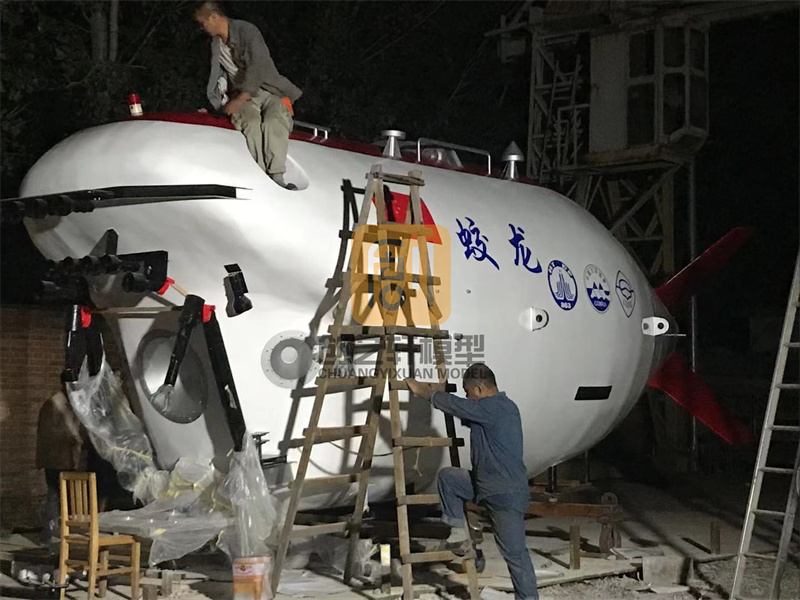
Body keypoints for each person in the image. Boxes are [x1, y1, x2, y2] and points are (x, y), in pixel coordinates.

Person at [405, 363, 539, 600]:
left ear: (479, 389)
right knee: (449, 478)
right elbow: (463, 410)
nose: (467, 397)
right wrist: (442, 394)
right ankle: (459, 536)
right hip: (484, 485)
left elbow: (460, 406)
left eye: (468, 392)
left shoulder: (495, 408)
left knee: (515, 554)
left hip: (504, 494)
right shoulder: (493, 410)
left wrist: (426, 393)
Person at [195, 1, 302, 189]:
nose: (202, 28)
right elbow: (215, 76)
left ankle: (277, 175)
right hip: (240, 95)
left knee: (274, 120)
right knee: (250, 123)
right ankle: (261, 175)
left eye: (203, 23)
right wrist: (215, 106)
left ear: (213, 17)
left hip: (268, 90)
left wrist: (241, 99)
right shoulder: (215, 45)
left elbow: (257, 67)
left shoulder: (246, 31)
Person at [36, 389, 90, 542]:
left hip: (64, 459)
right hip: (57, 459)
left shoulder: (63, 405)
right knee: (56, 495)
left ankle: (58, 532)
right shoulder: (54, 405)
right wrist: (75, 437)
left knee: (61, 496)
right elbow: (53, 432)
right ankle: (51, 533)